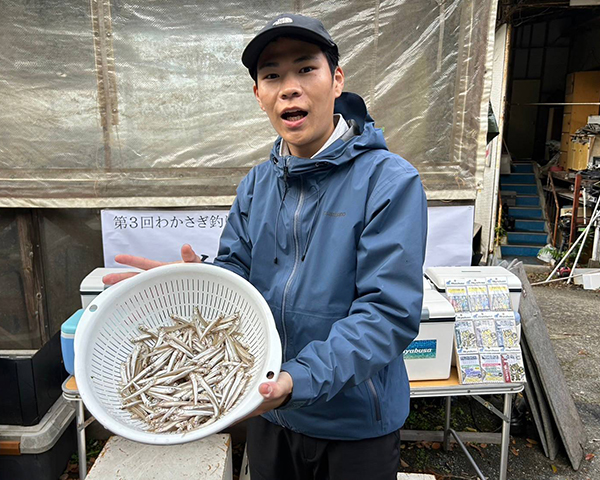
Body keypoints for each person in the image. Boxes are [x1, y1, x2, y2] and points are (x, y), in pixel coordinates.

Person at [104, 13, 427, 480]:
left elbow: (388, 314)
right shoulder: (257, 183)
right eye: (271, 75)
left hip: (354, 423)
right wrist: (194, 282)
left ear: (336, 80)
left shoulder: (389, 181)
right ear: (259, 96)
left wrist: (297, 381)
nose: (289, 88)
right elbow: (238, 273)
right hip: (268, 411)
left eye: (305, 69)